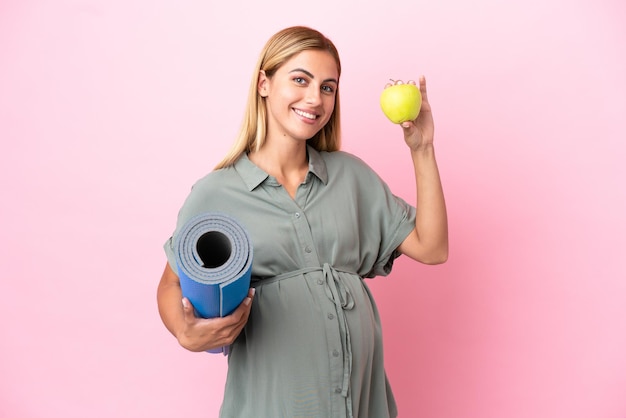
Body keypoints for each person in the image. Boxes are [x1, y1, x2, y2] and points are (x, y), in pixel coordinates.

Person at [157, 25, 448, 418]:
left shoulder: (351, 177)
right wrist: (185, 332)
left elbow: (432, 247)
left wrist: (423, 149)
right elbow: (172, 283)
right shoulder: (216, 193)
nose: (315, 99)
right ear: (264, 83)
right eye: (301, 80)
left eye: (328, 87)